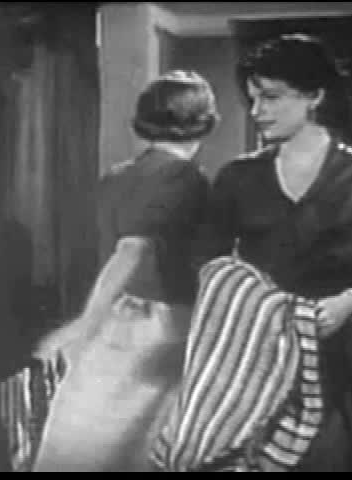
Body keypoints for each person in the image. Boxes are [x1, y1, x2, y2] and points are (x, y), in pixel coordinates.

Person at [204, 34, 352, 471]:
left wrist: (351, 302)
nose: (257, 111)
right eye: (253, 98)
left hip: (335, 358)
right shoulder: (237, 178)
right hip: (255, 356)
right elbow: (208, 262)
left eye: (271, 97)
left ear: (315, 96)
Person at [29, 70, 219, 471]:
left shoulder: (118, 177)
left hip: (120, 318)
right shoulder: (186, 178)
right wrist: (83, 324)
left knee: (87, 438)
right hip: (166, 326)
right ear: (203, 121)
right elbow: (131, 250)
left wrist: (91, 324)